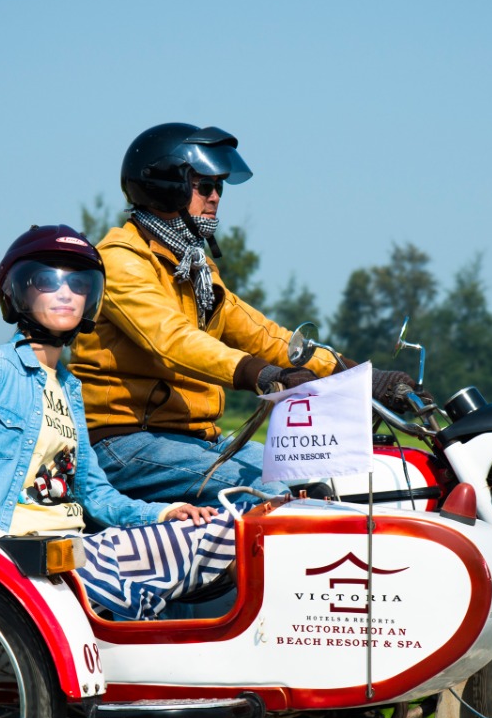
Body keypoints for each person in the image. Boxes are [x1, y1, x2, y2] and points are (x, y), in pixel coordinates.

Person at [70, 122, 415, 503]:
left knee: (320, 479)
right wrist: (262, 375)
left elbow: (262, 334)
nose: (216, 197)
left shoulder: (194, 268)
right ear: (166, 187)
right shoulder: (120, 261)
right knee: (270, 495)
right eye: (205, 186)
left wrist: (353, 373)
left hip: (195, 437)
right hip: (126, 442)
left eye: (219, 187)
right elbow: (173, 341)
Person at [0, 225, 236, 621]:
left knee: (223, 528)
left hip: (72, 547)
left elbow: (96, 495)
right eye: (48, 281)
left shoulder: (69, 388)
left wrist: (162, 514)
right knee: (210, 543)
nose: (65, 293)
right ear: (20, 292)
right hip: (17, 553)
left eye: (78, 284)